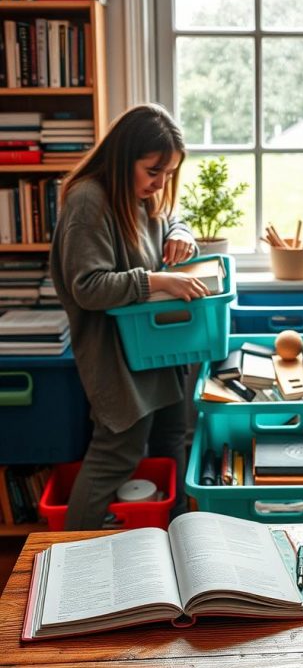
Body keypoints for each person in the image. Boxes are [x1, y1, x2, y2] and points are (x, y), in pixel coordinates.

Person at [50, 103, 209, 530]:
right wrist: (158, 281)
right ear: (124, 159)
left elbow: (170, 219)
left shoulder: (141, 195)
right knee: (116, 453)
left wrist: (181, 233)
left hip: (159, 352)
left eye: (168, 174)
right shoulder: (89, 200)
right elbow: (88, 286)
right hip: (117, 359)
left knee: (173, 438)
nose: (160, 184)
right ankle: (74, 553)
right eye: (153, 171)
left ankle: (178, 541)